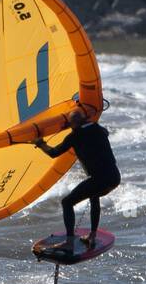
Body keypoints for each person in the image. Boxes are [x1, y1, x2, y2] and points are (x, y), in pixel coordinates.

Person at [32, 107, 120, 257]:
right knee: (94, 196)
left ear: (73, 123)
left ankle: (69, 242)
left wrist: (40, 143)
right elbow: (103, 131)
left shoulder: (75, 136)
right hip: (114, 177)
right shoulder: (98, 129)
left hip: (99, 179)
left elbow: (54, 153)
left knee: (67, 202)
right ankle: (92, 235)